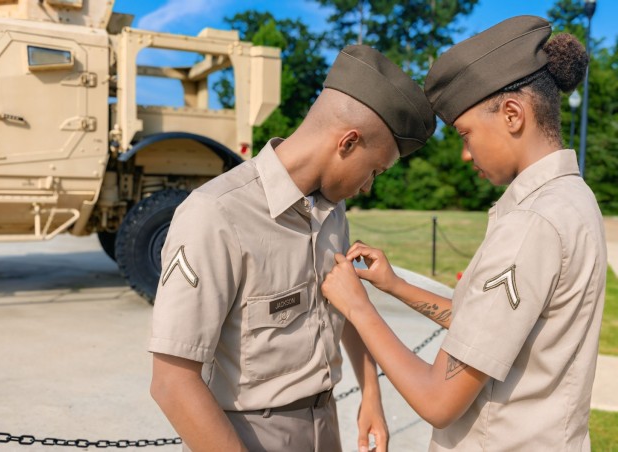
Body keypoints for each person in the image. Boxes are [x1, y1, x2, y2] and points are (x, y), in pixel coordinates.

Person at [322, 15, 606, 451]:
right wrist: (395, 286)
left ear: (512, 114)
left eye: (466, 133)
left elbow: (438, 400)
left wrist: (360, 309)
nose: (465, 153)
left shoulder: (532, 224)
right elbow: (489, 329)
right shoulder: (572, 198)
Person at [148, 44, 436, 452]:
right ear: (348, 142)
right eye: (374, 170)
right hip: (246, 434)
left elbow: (344, 303)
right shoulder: (215, 214)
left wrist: (370, 393)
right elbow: (172, 382)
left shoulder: (332, 211)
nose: (369, 185)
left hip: (325, 421)